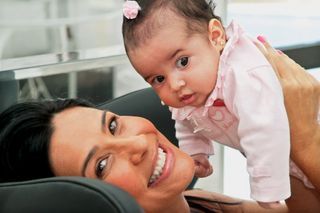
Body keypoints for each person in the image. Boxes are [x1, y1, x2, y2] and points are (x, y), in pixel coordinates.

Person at [0, 40, 319, 212]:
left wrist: (279, 131)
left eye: (113, 127)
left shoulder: (199, 203)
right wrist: (305, 140)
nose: (138, 144)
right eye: (102, 164)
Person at [121, 0, 320, 208]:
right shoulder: (192, 86)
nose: (175, 84)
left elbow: (264, 128)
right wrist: (195, 150)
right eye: (158, 79)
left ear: (215, 37)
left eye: (182, 61)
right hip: (286, 158)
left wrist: (266, 187)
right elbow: (184, 116)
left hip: (303, 138)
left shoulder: (242, 73)